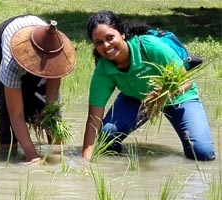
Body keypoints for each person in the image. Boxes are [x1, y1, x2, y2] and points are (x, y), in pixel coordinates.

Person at [82, 10, 215, 161]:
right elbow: (94, 119)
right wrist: (86, 161)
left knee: (202, 154)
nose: (106, 45)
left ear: (122, 34)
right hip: (137, 100)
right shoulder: (103, 69)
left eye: (110, 37)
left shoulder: (150, 46)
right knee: (106, 140)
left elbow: (186, 81)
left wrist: (164, 94)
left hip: (178, 97)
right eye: (98, 42)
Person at [0, 14, 76, 163]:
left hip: (41, 37)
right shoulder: (11, 63)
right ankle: (7, 153)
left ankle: (56, 151)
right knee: (6, 112)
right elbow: (16, 114)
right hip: (8, 34)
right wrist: (32, 155)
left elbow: (53, 88)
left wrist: (48, 109)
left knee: (51, 114)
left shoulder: (56, 53)